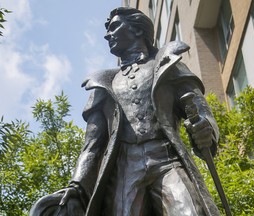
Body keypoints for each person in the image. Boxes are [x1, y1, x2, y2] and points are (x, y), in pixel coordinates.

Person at [30, 7, 221, 216]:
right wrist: (76, 185)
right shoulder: (103, 84)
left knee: (190, 212)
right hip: (125, 169)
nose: (107, 35)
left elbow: (202, 112)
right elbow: (92, 146)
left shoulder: (167, 65)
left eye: (114, 27)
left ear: (137, 30)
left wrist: (205, 130)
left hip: (167, 159)